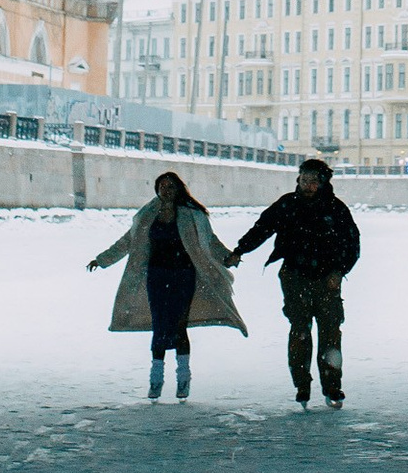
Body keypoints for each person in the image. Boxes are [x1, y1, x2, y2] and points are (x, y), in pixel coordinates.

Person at [87, 170, 247, 400]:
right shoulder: (147, 214)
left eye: (170, 186)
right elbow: (128, 241)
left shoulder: (192, 214)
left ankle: (183, 377)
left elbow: (209, 240)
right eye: (162, 186)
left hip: (184, 276)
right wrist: (102, 260)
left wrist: (227, 257)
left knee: (179, 325)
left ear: (178, 189)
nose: (166, 190)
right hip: (157, 276)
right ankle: (156, 377)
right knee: (160, 324)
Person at [233, 157, 361, 408]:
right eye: (304, 180)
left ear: (323, 183)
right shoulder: (287, 204)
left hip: (327, 280)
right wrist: (240, 250)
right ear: (298, 180)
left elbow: (352, 243)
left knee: (330, 333)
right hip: (294, 277)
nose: (308, 186)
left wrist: (339, 271)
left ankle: (332, 387)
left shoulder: (336, 209)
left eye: (314, 181)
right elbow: (262, 228)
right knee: (300, 331)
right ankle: (302, 385)